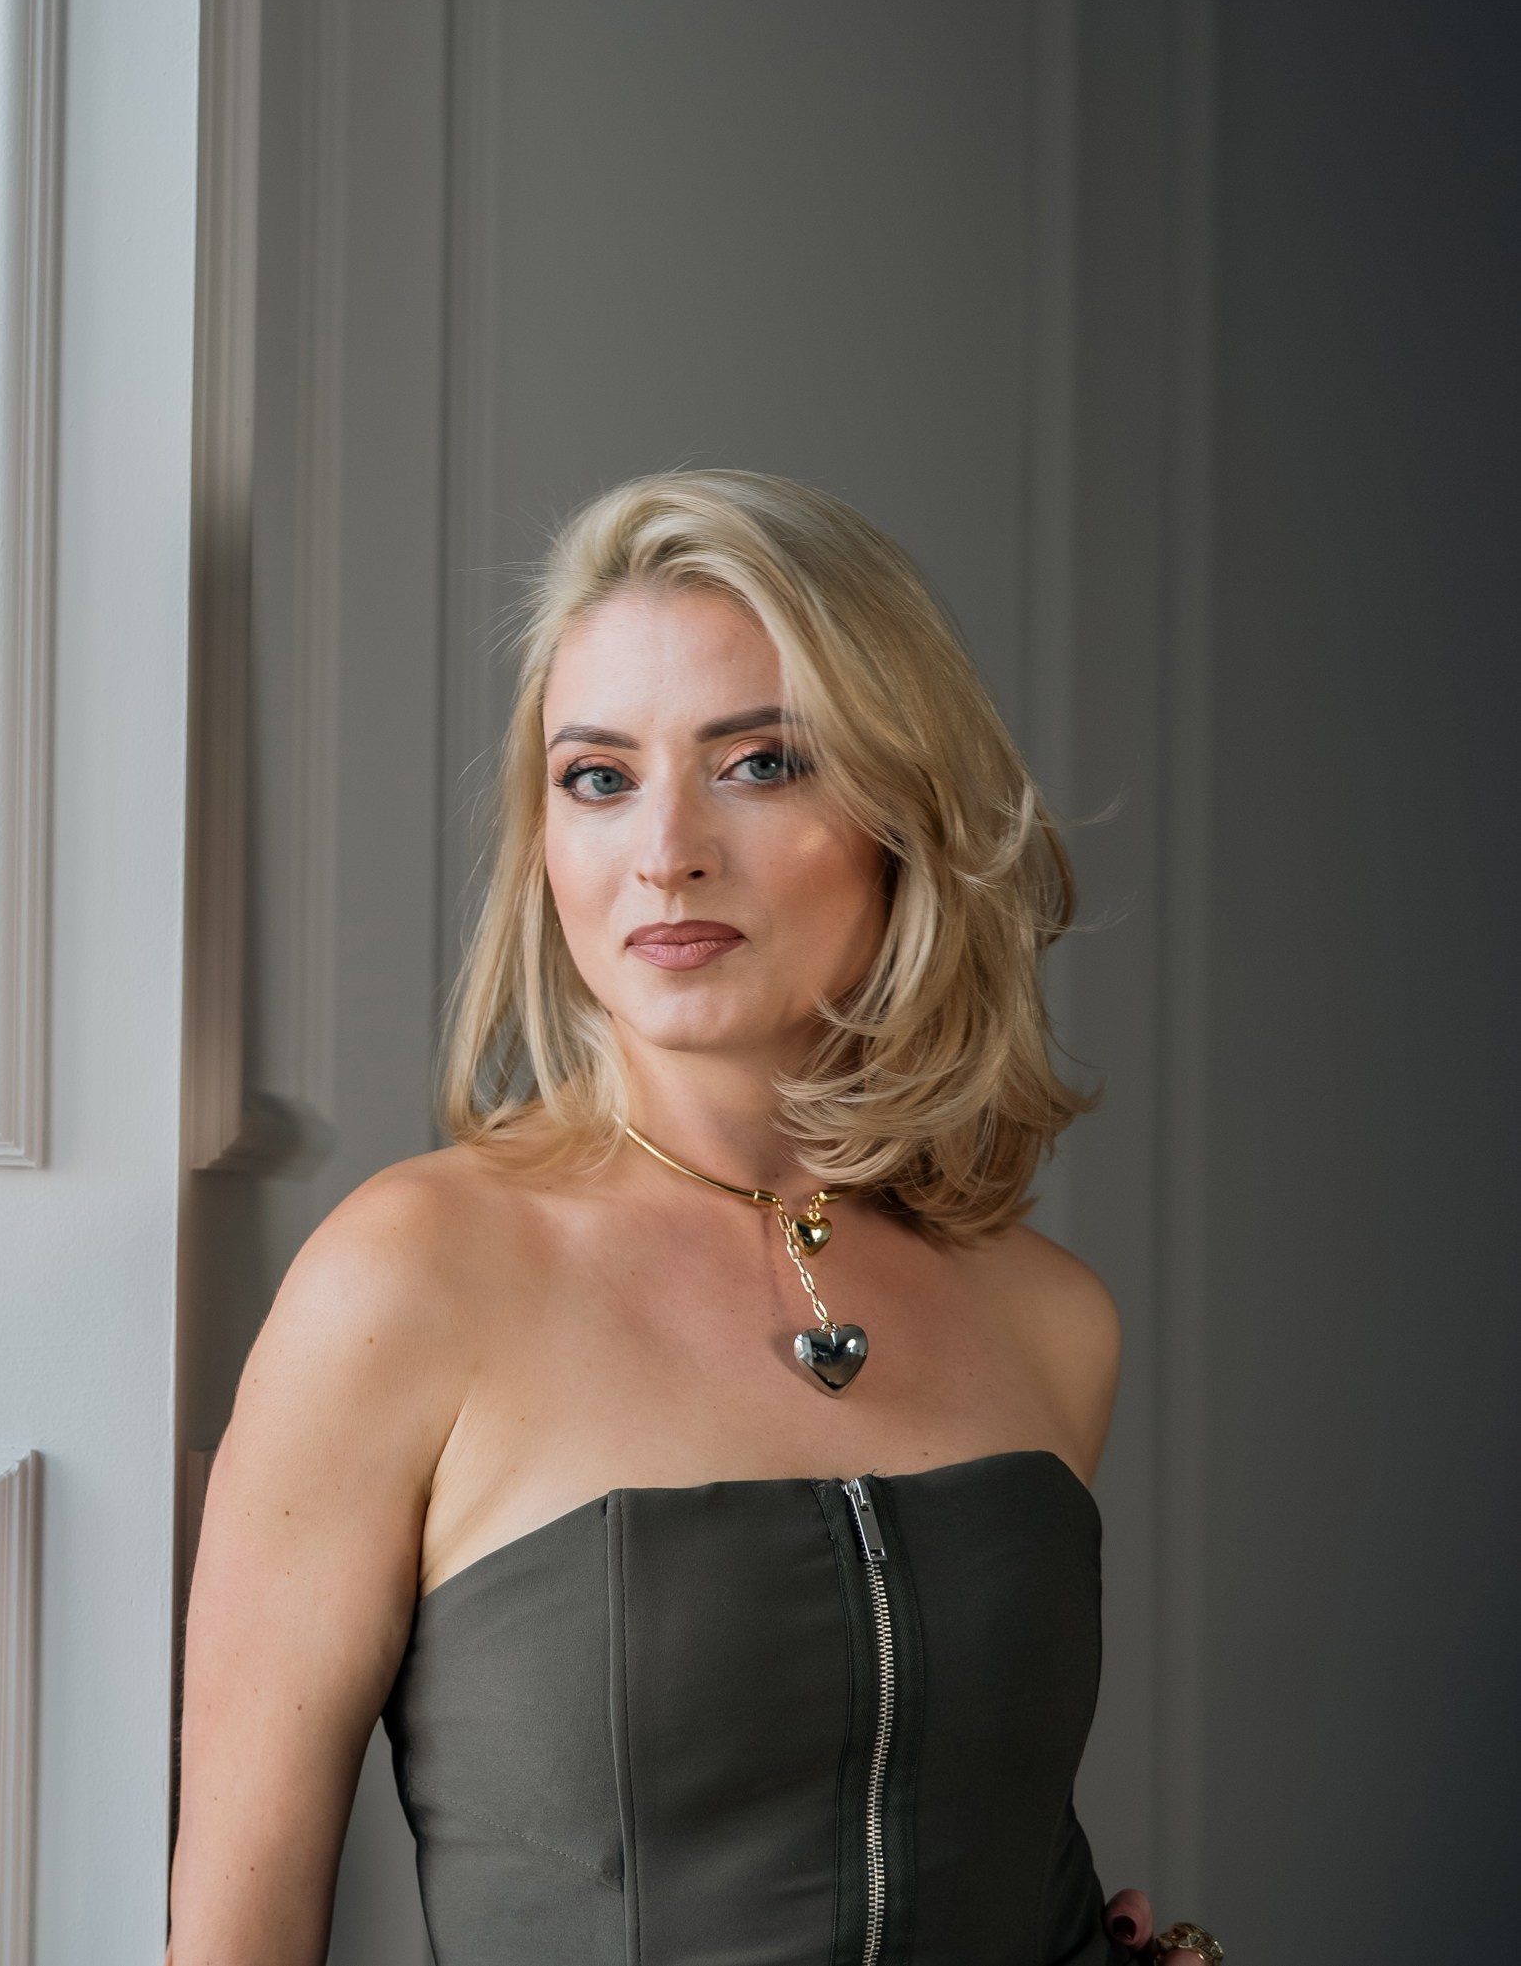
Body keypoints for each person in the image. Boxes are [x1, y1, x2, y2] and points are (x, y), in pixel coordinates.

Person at [168, 473, 1222, 1964]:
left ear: (904, 810)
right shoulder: (406, 1281)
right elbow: (236, 1937)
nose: (667, 847)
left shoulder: (1048, 1316)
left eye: (761, 763)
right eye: (599, 777)